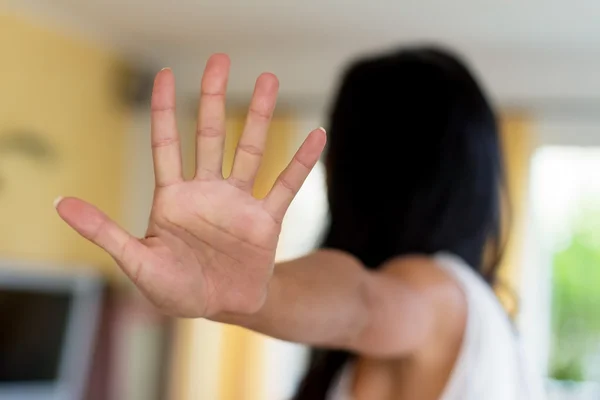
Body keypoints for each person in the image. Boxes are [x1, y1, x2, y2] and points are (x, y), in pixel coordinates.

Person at [55, 47, 545, 399]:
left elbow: (361, 302)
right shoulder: (477, 314)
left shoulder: (434, 290)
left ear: (362, 168)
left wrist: (259, 293)